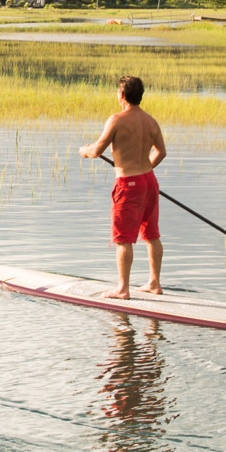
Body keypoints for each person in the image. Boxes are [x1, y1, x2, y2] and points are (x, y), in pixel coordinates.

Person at [80, 76, 167, 300]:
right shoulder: (151, 121)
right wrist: (145, 167)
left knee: (123, 239)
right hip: (149, 181)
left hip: (128, 184)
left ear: (121, 95)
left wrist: (85, 150)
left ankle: (122, 289)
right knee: (152, 235)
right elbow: (161, 152)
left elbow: (97, 150)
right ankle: (155, 283)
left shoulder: (116, 120)